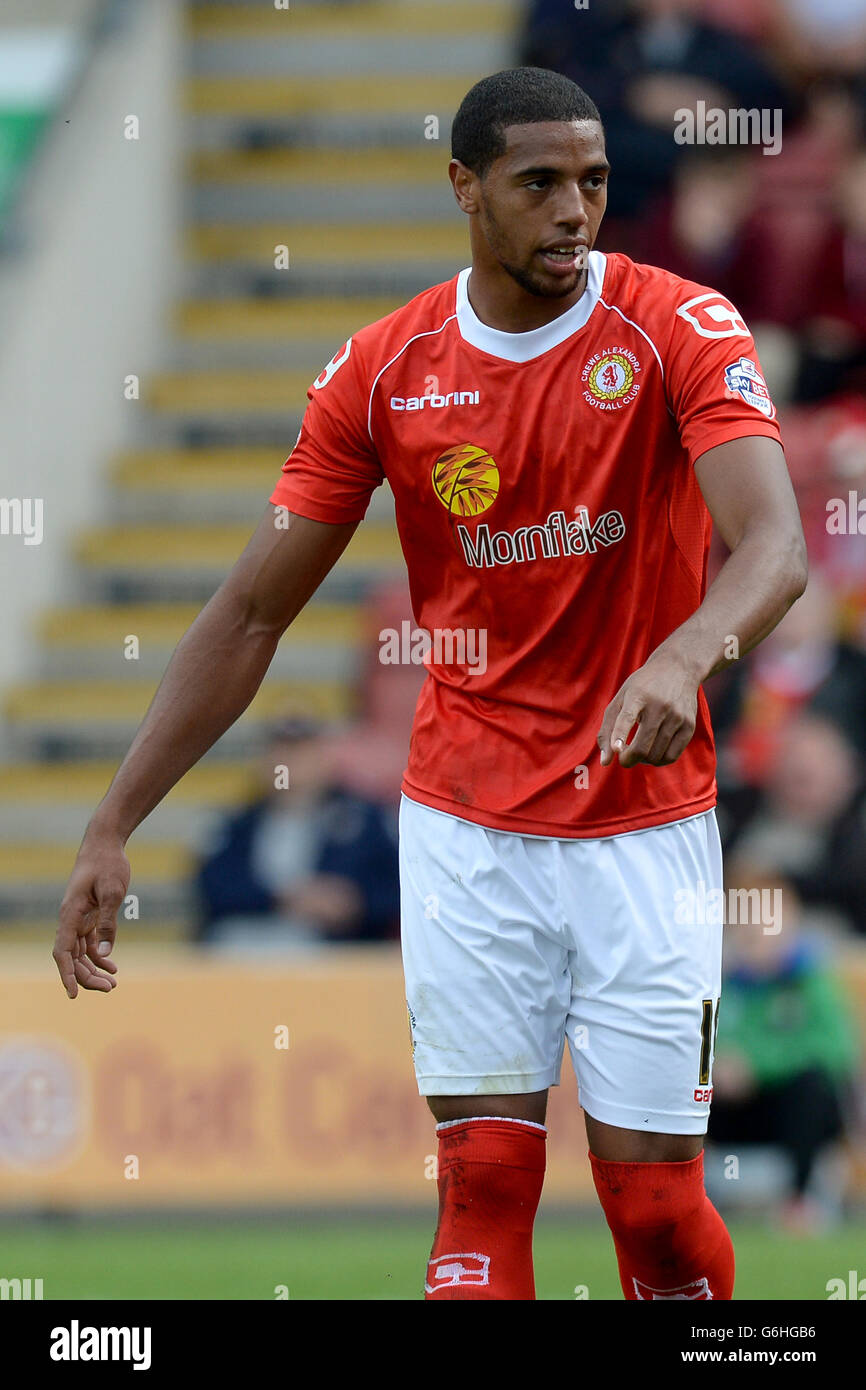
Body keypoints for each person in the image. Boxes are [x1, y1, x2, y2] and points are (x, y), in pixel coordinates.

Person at [54, 67, 807, 1302]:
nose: (574, 211)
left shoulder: (678, 326)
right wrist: (111, 818)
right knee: (478, 1205)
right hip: (465, 829)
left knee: (663, 1221)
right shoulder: (385, 369)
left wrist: (681, 654)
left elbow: (772, 546)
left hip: (643, 823)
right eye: (539, 185)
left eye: (593, 182)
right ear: (464, 188)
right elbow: (249, 613)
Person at [193, 719, 400, 948]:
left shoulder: (365, 820)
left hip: (335, 951)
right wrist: (281, 899)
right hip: (244, 946)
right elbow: (212, 888)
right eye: (281, 750)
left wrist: (353, 903)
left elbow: (395, 889)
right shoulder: (237, 824)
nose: (289, 762)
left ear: (324, 757)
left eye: (301, 751)